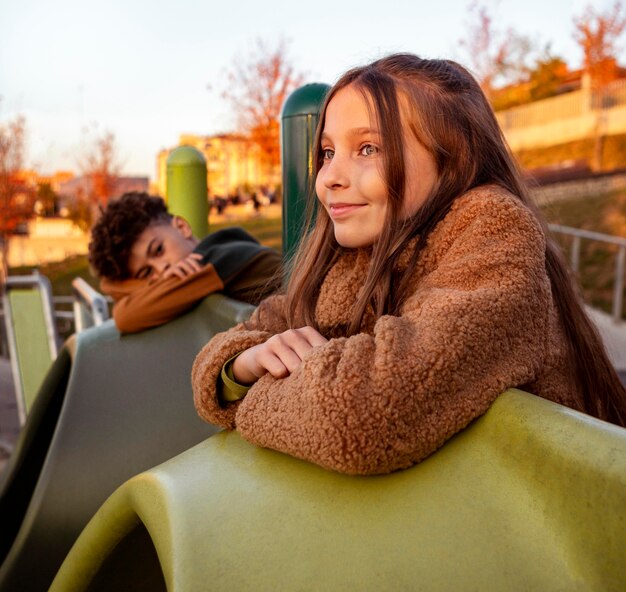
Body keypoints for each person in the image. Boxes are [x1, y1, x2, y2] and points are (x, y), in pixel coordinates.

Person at [191, 54, 626, 476]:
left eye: (367, 148)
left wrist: (248, 399)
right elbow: (228, 351)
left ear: (453, 160)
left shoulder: (496, 235)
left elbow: (360, 416)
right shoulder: (356, 256)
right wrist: (240, 367)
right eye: (326, 152)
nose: (329, 177)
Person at [88, 192, 281, 334]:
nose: (161, 270)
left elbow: (124, 316)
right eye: (146, 273)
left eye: (158, 250)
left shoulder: (208, 264)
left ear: (182, 227)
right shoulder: (216, 252)